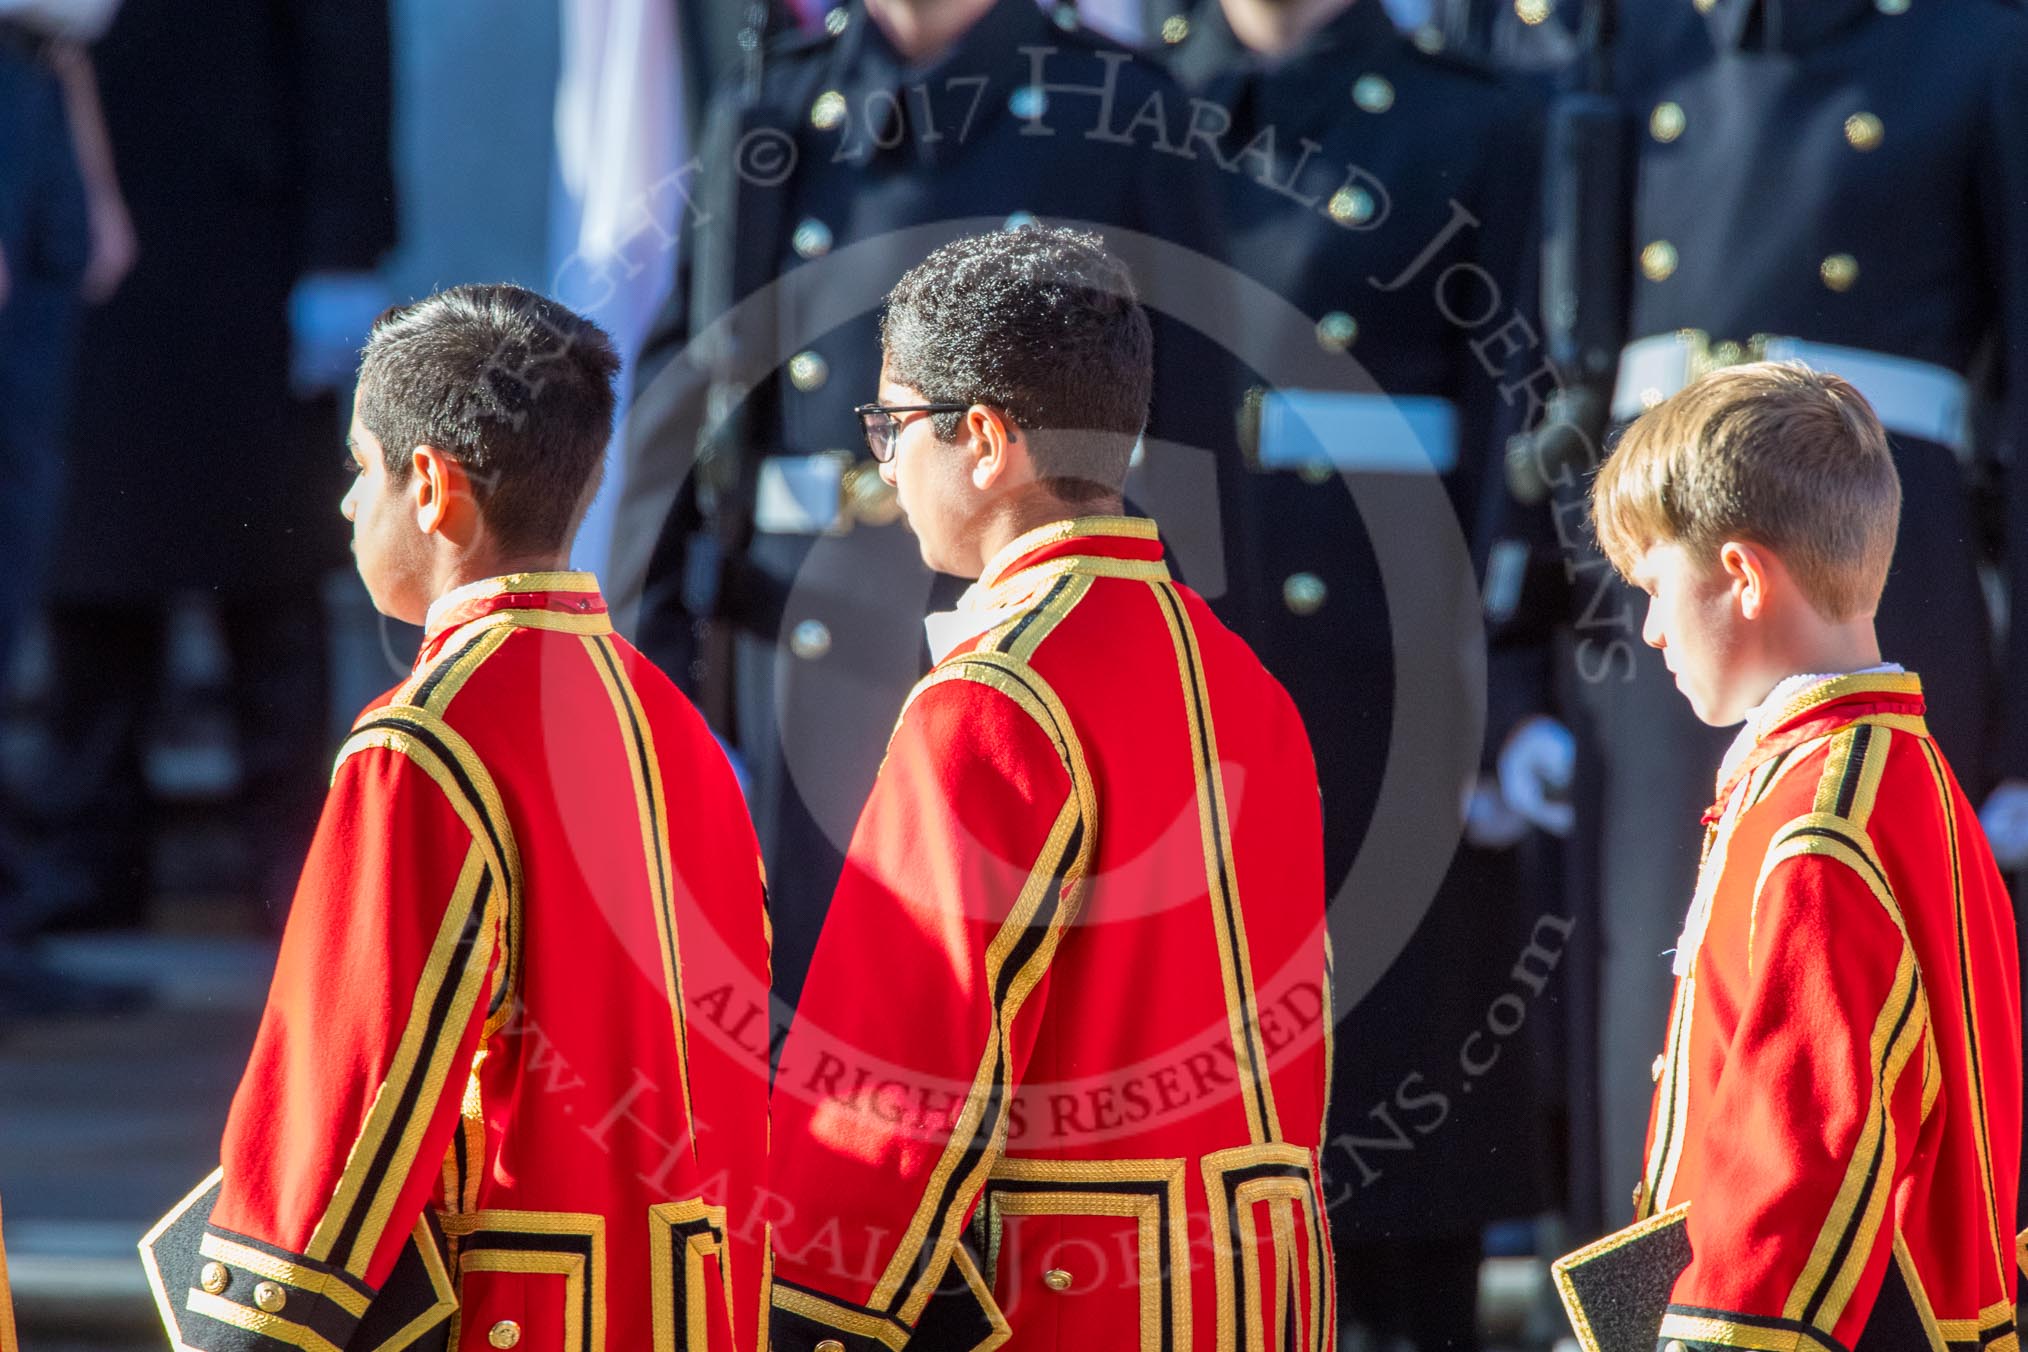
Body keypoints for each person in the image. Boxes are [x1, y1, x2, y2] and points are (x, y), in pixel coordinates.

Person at [139, 287, 772, 1350]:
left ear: (430, 486)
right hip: (699, 1306)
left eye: (361, 467)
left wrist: (245, 1327)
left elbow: (350, 1090)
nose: (350, 504)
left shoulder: (424, 736)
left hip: (522, 1311)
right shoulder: (676, 722)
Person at [1499, 0, 2028, 1223]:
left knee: (1849, 982)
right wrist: (1519, 665)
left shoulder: (1974, 44)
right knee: (1663, 983)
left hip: (1877, 550)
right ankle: (1654, 1293)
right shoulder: (1637, 40)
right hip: (1658, 554)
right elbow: (1548, 365)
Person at [766, 227, 1332, 1350]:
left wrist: (796, 1308)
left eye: (892, 423)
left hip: (1066, 1304)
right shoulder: (1246, 680)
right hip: (1262, 1299)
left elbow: (893, 1071)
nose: (885, 464)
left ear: (984, 440)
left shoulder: (993, 695)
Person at [615, 0, 1232, 1015]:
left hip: (1035, 647)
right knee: (803, 1013)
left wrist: (1187, 681)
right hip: (797, 639)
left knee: (1003, 1005)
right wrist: (648, 680)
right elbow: (690, 394)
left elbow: (1189, 427)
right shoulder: (776, 102)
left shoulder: (1122, 106)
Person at [1164, 2, 1556, 1340]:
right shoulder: (1142, 101)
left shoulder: (1474, 114)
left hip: (1393, 652)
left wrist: (1499, 678)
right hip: (1189, 625)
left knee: (1399, 1065)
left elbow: (1516, 412)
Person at [1559, 362, 2021, 1343]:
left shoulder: (1821, 819)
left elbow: (1792, 1172)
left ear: (1742, 575)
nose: (1651, 630)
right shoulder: (1893, 770)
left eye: (1654, 587)